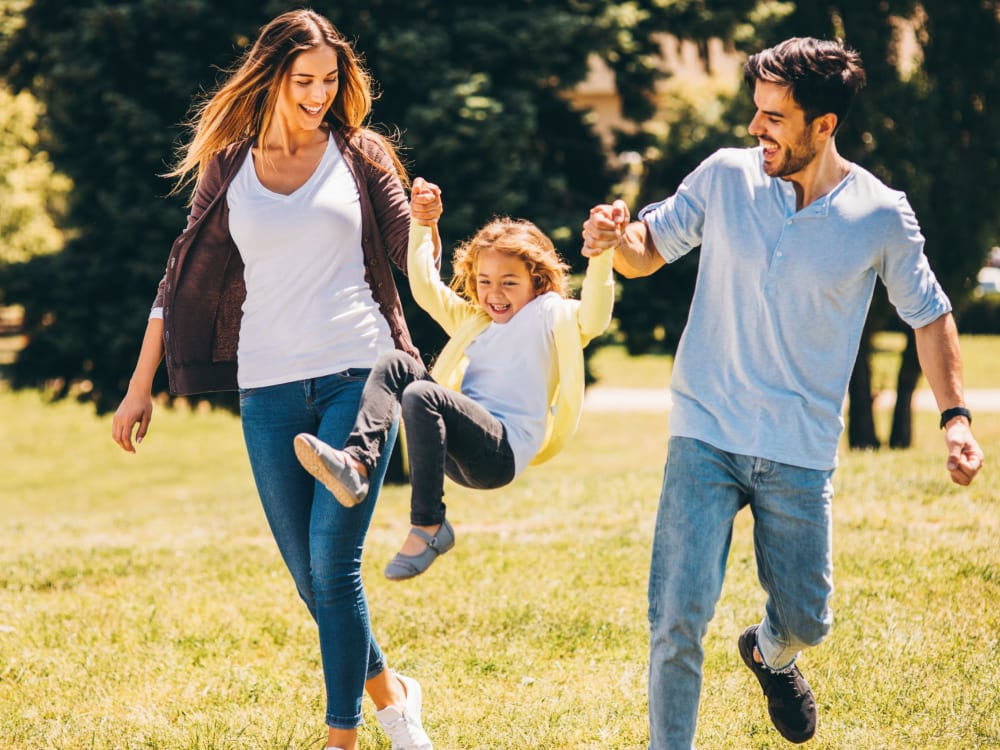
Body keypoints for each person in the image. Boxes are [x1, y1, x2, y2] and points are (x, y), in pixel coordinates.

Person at [582, 36, 984, 749]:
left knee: (808, 617)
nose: (754, 128)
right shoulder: (724, 177)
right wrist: (615, 240)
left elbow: (931, 315)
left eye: (774, 116)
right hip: (705, 431)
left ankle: (771, 653)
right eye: (755, 111)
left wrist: (955, 417)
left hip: (798, 449)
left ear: (823, 125)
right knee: (676, 616)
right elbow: (648, 251)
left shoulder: (880, 215)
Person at [110, 11, 435, 750]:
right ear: (270, 77)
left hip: (361, 371)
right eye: (304, 81)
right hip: (270, 390)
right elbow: (179, 274)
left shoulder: (359, 155)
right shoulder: (229, 165)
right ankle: (395, 693)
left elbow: (408, 255)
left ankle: (343, 737)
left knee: (335, 564)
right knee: (309, 578)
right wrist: (140, 386)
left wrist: (428, 224)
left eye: (330, 81)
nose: (320, 95)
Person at [294, 177, 616, 580]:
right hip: (456, 447)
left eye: (509, 283)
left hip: (500, 454)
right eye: (484, 282)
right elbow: (426, 287)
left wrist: (602, 256)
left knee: (422, 396)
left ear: (538, 281)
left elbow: (596, 316)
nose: (494, 294)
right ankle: (357, 464)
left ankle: (429, 524)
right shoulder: (476, 322)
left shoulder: (552, 315)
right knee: (396, 363)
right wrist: (422, 223)